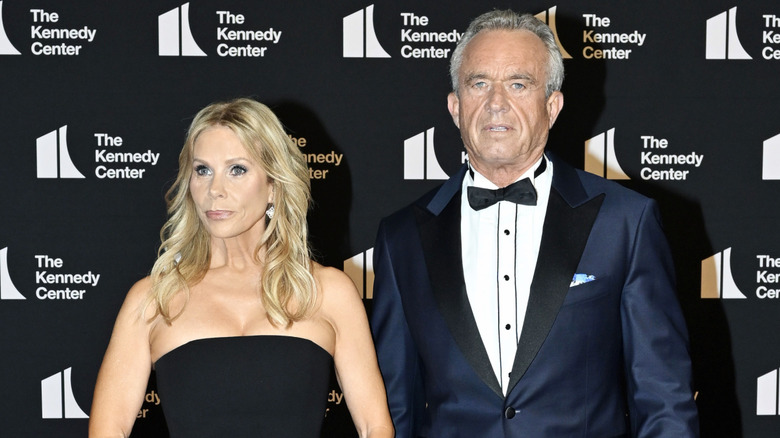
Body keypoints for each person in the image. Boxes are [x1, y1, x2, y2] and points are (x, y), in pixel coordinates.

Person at [370, 10, 699, 438]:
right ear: (455, 106)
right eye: (479, 83)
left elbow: (664, 400)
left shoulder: (624, 222)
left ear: (552, 106)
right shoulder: (402, 238)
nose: (496, 102)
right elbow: (392, 411)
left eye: (519, 84)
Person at [89, 98, 393, 438]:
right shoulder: (153, 297)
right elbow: (108, 428)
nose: (215, 190)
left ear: (273, 186)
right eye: (202, 170)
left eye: (237, 170)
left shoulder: (327, 291)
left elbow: (375, 426)